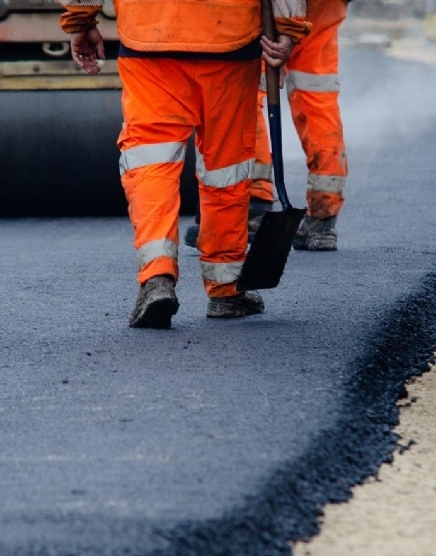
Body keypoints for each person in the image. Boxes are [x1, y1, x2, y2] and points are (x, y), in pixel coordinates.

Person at [59, 0, 311, 329]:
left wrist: (81, 18)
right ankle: (226, 289)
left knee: (151, 158)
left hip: (149, 36)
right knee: (227, 166)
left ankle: (157, 277)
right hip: (230, 38)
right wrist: (288, 28)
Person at [185, 0, 349, 252]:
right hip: (324, 6)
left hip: (271, 7)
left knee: (247, 90)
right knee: (318, 96)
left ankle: (254, 202)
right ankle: (322, 219)